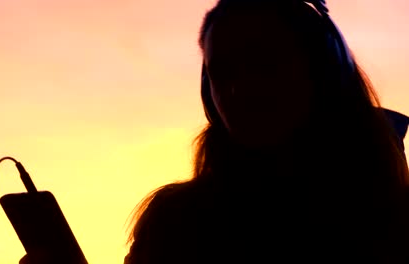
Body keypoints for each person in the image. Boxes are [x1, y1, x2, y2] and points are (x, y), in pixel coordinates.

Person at [124, 0, 409, 263]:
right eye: (222, 73)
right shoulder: (175, 224)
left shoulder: (395, 223)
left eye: (265, 65)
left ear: (324, 73)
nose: (240, 89)